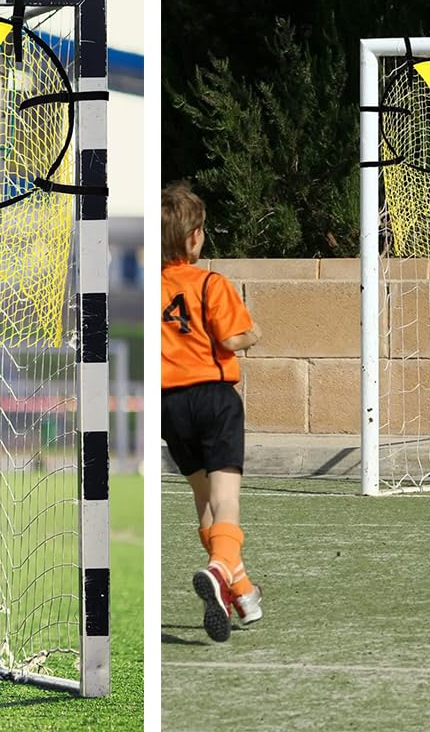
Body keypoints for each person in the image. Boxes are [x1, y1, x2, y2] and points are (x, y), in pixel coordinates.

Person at [161, 181, 262, 643]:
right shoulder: (209, 283)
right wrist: (252, 333)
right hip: (214, 398)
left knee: (203, 500)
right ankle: (221, 568)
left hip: (171, 405)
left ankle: (241, 591)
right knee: (227, 500)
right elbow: (232, 337)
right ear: (195, 237)